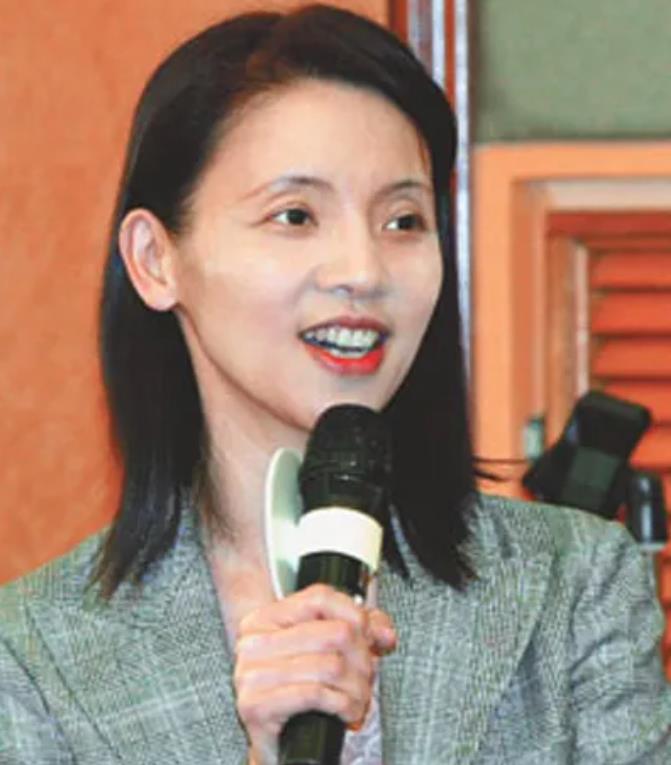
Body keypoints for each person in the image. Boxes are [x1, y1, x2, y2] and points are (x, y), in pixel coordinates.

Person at [1, 5, 670, 764]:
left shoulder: (575, 585)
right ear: (157, 260)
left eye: (403, 221)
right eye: (295, 215)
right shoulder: (35, 660)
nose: (362, 270)